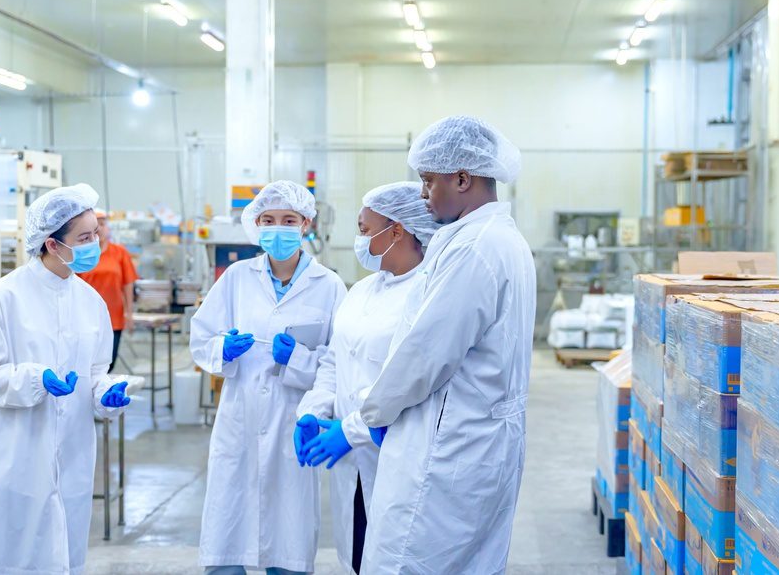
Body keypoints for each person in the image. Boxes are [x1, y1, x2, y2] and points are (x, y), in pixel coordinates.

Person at [354, 116, 536, 573]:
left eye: (428, 180)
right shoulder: (497, 240)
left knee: (407, 562)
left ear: (462, 178)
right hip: (478, 441)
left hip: (448, 448)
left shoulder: (475, 248)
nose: (422, 193)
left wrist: (373, 412)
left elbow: (425, 355)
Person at [0, 183, 132, 575]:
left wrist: (106, 394)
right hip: (14, 457)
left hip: (70, 455)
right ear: (53, 245)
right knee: (8, 558)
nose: (95, 244)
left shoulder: (90, 303)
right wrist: (36, 379)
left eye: (96, 235)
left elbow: (93, 373)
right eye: (84, 238)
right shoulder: (3, 298)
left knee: (62, 556)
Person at [189, 180, 348, 575]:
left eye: (289, 220)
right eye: (269, 220)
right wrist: (221, 350)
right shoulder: (237, 278)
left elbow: (340, 365)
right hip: (239, 422)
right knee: (229, 538)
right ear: (256, 224)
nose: (278, 228)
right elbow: (201, 336)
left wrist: (297, 360)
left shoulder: (329, 286)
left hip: (293, 422)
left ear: (306, 224)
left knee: (287, 543)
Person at [294, 182, 439, 574]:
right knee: (357, 555)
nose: (358, 241)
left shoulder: (428, 294)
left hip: (395, 458)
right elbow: (334, 361)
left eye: (364, 229)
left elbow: (408, 384)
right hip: (352, 462)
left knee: (396, 558)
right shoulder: (360, 291)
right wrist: (313, 409)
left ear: (396, 231)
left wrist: (352, 431)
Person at [78, 209, 140, 371]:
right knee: (87, 361)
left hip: (114, 317)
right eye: (96, 225)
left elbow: (127, 284)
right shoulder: (83, 254)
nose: (100, 228)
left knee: (108, 362)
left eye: (103, 224)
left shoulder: (119, 253)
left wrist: (129, 314)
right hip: (86, 316)